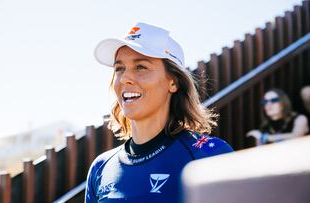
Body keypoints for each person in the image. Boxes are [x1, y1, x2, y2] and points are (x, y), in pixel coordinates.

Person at [85, 22, 233, 203]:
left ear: (173, 82)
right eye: (119, 69)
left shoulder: (210, 154)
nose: (125, 78)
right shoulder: (101, 167)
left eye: (141, 67)